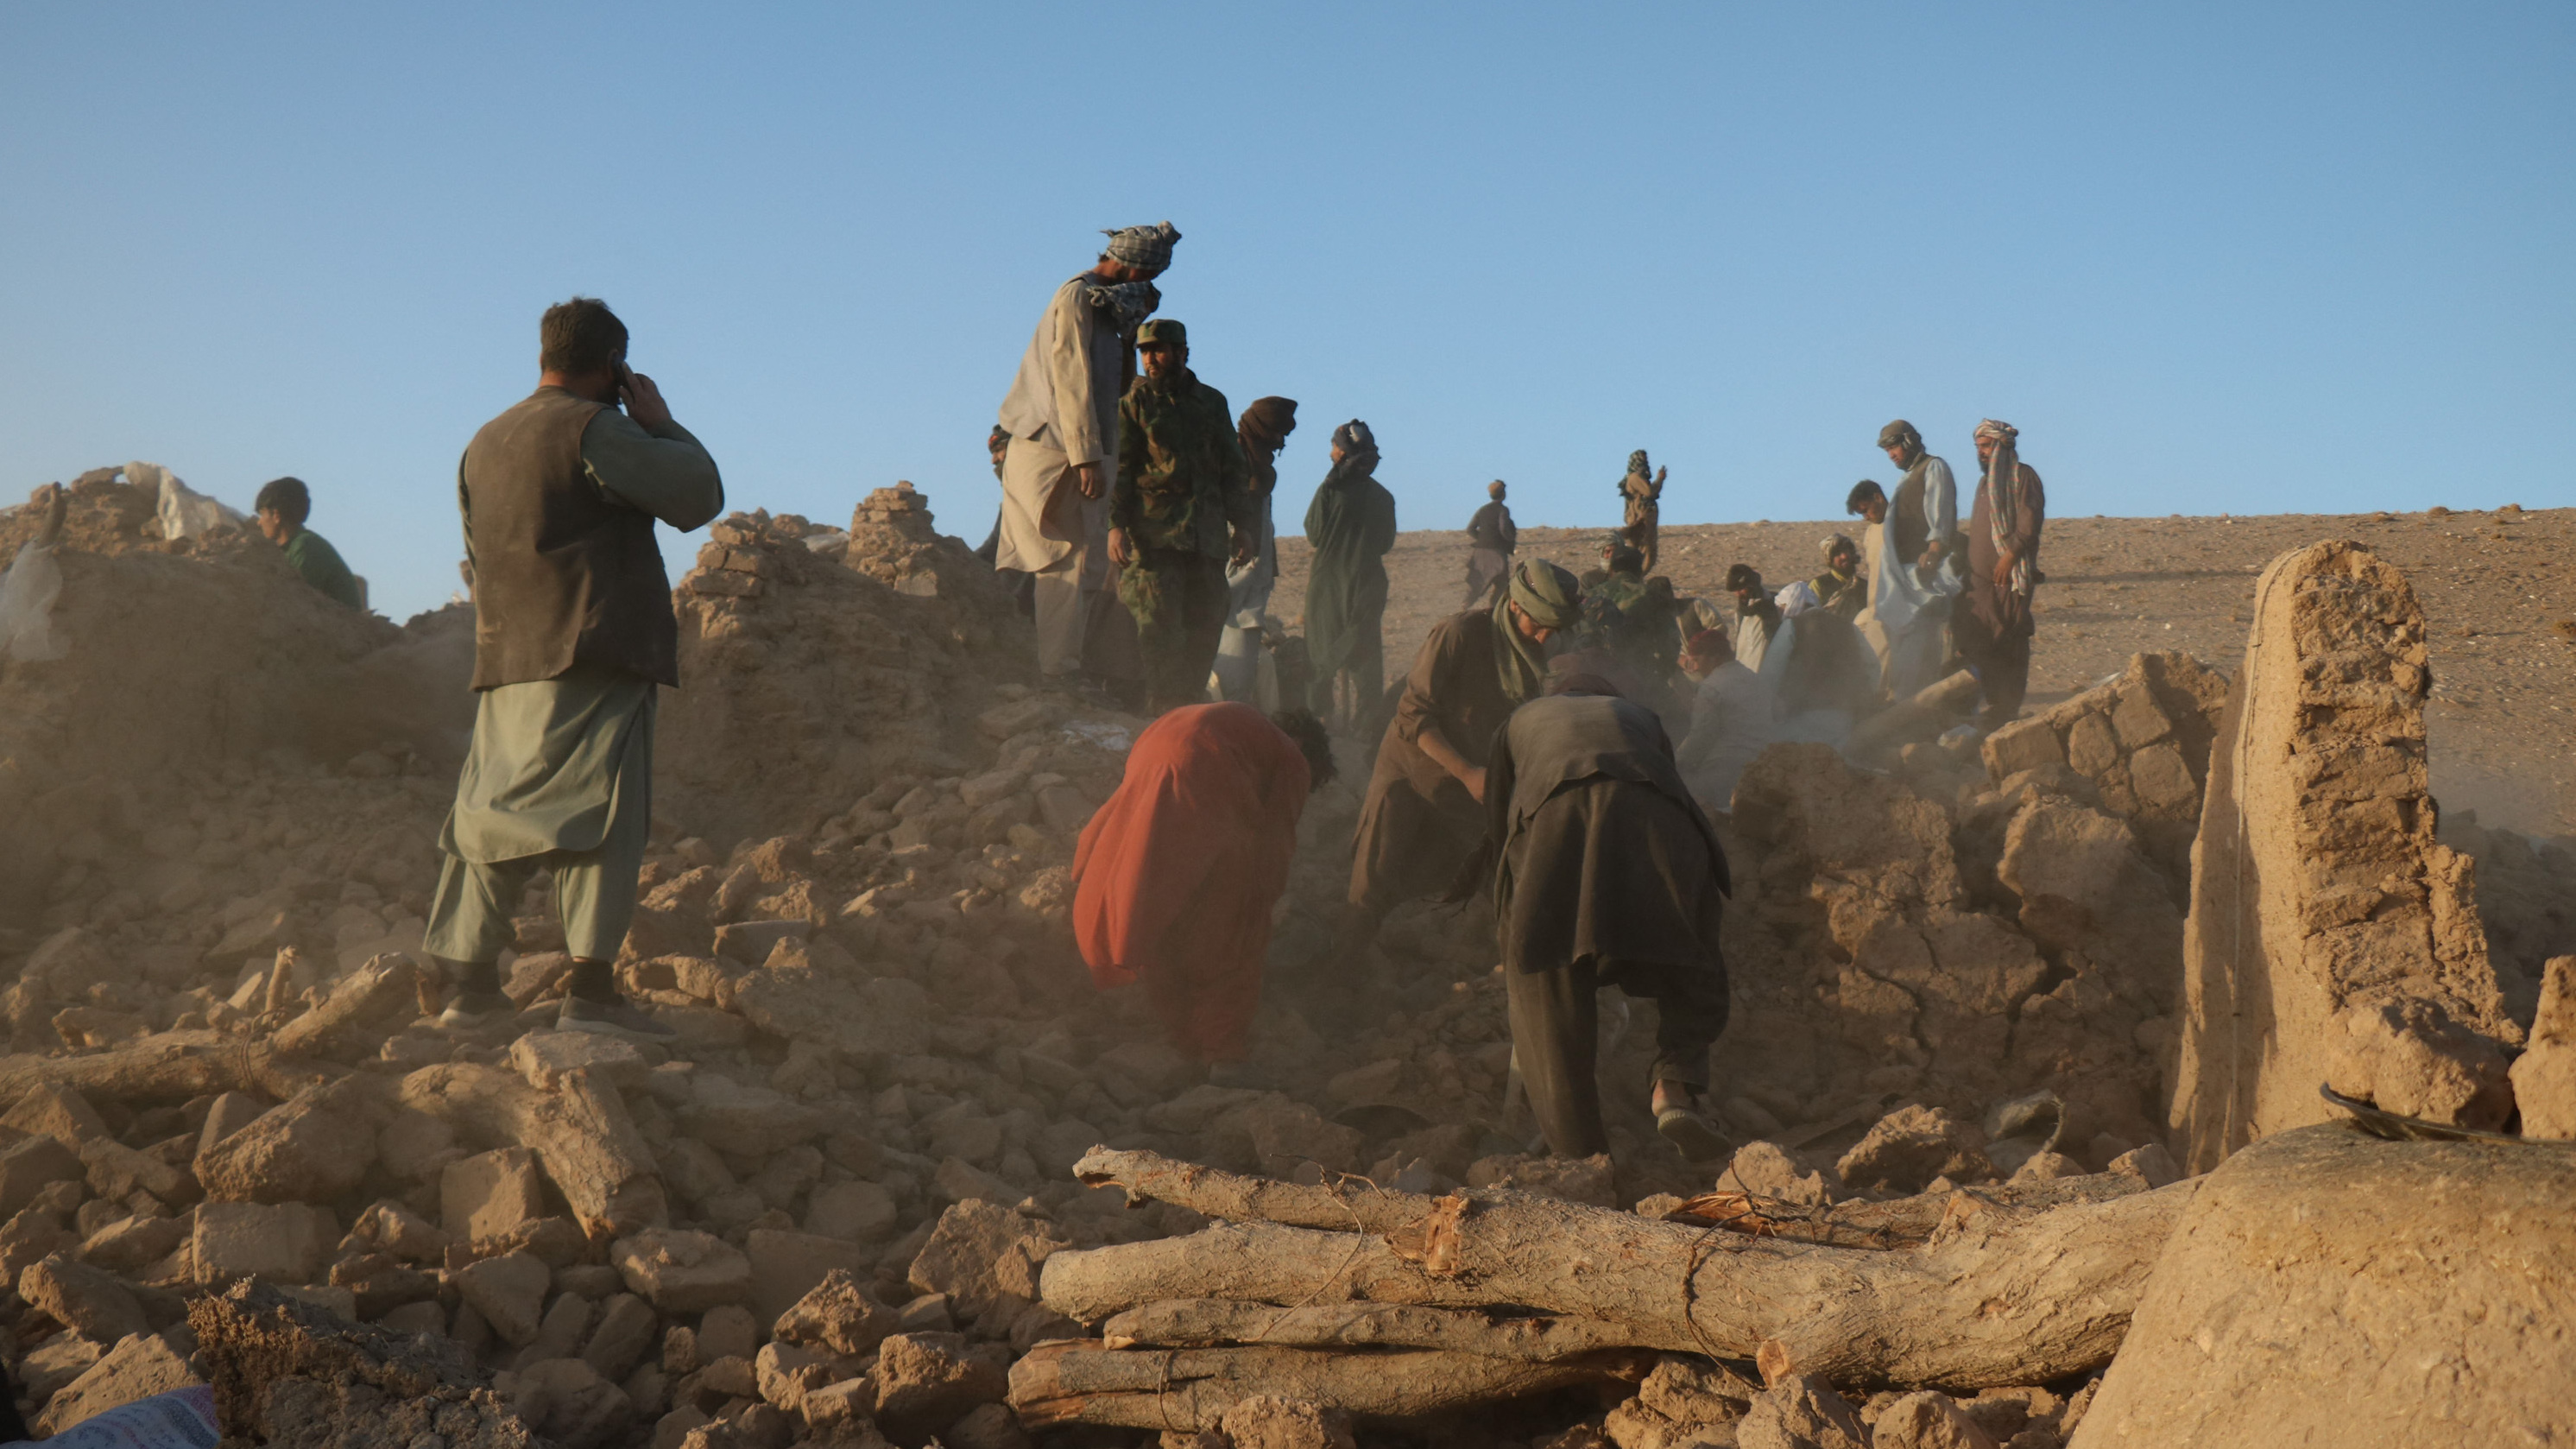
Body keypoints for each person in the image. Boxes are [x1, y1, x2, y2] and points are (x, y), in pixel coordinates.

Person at [428, 297, 723, 1037]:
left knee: (492, 813)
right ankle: (590, 994)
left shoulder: (483, 442)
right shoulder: (596, 430)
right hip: (593, 652)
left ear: (543, 356)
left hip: (506, 659)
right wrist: (661, 424)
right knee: (603, 816)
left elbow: (475, 551)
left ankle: (470, 988)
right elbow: (696, 496)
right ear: (614, 366)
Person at [1474, 677, 1733, 1161]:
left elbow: (1499, 827)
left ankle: (1581, 1157)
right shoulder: (1640, 717)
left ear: (1555, 696)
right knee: (1694, 959)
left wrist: (1513, 931)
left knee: (1544, 987)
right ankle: (1674, 1086)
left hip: (1557, 825)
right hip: (1663, 823)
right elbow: (1666, 788)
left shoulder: (1518, 723)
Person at [1328, 559, 1583, 977]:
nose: (1545, 637)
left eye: (1554, 629)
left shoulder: (1538, 653)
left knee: (1501, 876)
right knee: (1372, 882)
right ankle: (1338, 977)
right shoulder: (1459, 634)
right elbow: (1413, 716)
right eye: (1539, 624)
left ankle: (1522, 978)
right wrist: (1467, 773)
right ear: (1516, 606)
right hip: (1412, 774)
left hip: (1476, 786)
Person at [1071, 703, 1336, 1068]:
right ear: (1304, 744)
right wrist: (1260, 905)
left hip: (1153, 754)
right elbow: (1275, 845)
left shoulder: (1239, 725)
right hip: (1203, 775)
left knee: (1161, 908)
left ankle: (1181, 1036)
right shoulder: (1291, 756)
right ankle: (1224, 1057)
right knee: (1234, 930)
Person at [996, 222, 1179, 690]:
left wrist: (1128, 331)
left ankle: (1066, 667)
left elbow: (1112, 387)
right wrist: (1085, 458)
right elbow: (1072, 379)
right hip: (1055, 448)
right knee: (1064, 559)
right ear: (1135, 266)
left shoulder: (1106, 304)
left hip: (1083, 448)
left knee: (1088, 564)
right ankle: (1056, 672)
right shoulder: (1079, 297)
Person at [1109, 320, 1256, 714]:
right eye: (1145, 351)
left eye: (1159, 350)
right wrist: (1116, 526)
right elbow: (1120, 469)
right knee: (1158, 629)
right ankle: (1163, 713)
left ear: (1182, 352)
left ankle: (1188, 710)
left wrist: (1242, 525)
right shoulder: (1134, 405)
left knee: (1205, 625)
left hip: (1206, 539)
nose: (1151, 359)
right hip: (1155, 538)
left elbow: (1233, 468)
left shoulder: (1212, 403)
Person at [1301, 420, 1398, 727]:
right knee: (1365, 655)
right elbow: (1385, 544)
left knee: (1320, 653)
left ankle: (1322, 721)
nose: (1331, 452)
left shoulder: (1330, 490)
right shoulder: (1383, 496)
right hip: (1368, 581)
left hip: (1328, 583)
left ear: (1342, 452)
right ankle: (1367, 729)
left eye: (1334, 446)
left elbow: (1314, 534)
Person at [1956, 418, 2046, 732]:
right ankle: (1990, 711)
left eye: (1986, 446)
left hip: (2009, 581)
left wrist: (2009, 557)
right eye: (1978, 447)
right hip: (1980, 585)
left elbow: (2029, 524)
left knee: (2009, 639)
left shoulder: (2023, 477)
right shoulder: (1985, 485)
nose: (1981, 453)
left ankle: (2006, 712)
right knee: (1981, 641)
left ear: (2002, 445)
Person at [1215, 396, 1298, 703]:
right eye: (1277, 434)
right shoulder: (1235, 461)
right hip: (1234, 577)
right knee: (1228, 676)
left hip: (1251, 584)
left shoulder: (1259, 465)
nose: (1280, 443)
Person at [1845, 478, 1950, 700]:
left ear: (1878, 498)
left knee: (1908, 675)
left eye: (1866, 510)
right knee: (1875, 671)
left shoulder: (1905, 525)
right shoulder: (1871, 533)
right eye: (1861, 514)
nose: (1866, 517)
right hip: (1877, 610)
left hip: (1906, 612)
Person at [1675, 629, 1776, 815]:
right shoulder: (1754, 679)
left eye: (1696, 661)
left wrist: (1675, 763)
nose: (1695, 668)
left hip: (1723, 775)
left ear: (1714, 657)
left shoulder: (1711, 688)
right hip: (1761, 769)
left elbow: (1700, 738)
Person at [253, 477, 364, 610]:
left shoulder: (305, 546)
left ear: (276, 516)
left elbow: (296, 603)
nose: (259, 522)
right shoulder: (295, 546)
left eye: (262, 514)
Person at [1876, 421, 1963, 585]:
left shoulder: (1933, 467)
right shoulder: (1905, 478)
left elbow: (1941, 513)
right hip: (1908, 571)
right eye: (1887, 451)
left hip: (1932, 570)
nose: (1891, 455)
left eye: (1893, 448)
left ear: (1908, 441)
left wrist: (1934, 551)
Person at [1774, 534, 1866, 622]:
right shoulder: (1819, 584)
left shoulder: (1864, 586)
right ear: (1830, 559)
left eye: (1847, 551)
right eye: (1838, 553)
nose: (1844, 556)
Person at [1725, 564, 1790, 680]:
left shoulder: (1774, 604)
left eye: (1741, 589)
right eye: (1735, 591)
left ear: (1751, 585)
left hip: (1765, 675)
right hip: (1743, 672)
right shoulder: (1742, 610)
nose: (1738, 594)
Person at [1462, 480, 1517, 607]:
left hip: (1480, 553)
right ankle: (1493, 611)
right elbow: (1503, 528)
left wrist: (1482, 539)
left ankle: (1464, 607)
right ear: (1503, 494)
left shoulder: (1482, 510)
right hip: (1496, 553)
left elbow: (1470, 529)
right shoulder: (1503, 510)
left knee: (1478, 585)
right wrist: (1508, 539)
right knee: (1502, 584)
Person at [1619, 449, 1667, 572]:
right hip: (1639, 519)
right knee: (1642, 550)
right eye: (1643, 459)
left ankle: (1637, 577)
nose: (1645, 462)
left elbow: (1652, 491)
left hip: (1646, 519)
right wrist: (1659, 480)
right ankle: (1634, 577)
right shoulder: (1634, 477)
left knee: (1649, 551)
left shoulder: (1641, 477)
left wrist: (1660, 481)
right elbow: (1649, 492)